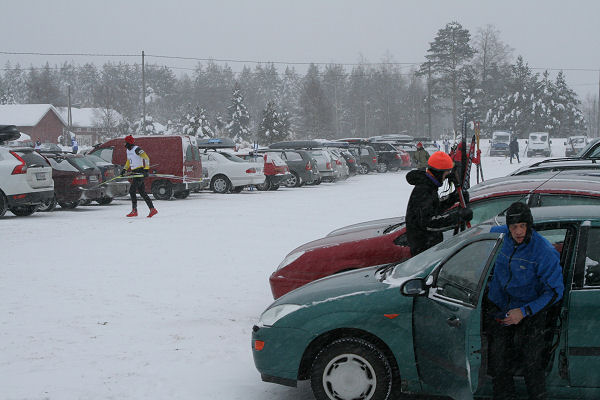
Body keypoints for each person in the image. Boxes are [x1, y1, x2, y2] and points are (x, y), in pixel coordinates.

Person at [486, 202, 564, 400]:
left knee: (532, 364)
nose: (518, 231)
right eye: (513, 227)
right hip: (501, 309)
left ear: (529, 225)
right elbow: (482, 235)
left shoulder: (543, 251)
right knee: (499, 364)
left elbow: (555, 292)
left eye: (523, 226)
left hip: (530, 313)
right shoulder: (501, 237)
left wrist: (524, 312)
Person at [405, 151, 473, 256]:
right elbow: (429, 222)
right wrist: (458, 216)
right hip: (424, 249)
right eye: (446, 172)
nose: (446, 176)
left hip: (427, 245)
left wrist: (452, 198)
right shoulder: (424, 190)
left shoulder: (428, 186)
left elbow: (434, 208)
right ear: (439, 172)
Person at [121, 135, 158, 218]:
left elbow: (147, 158)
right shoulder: (128, 150)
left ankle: (134, 211)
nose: (124, 144)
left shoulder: (137, 149)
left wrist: (146, 169)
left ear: (129, 143)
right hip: (134, 172)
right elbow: (128, 161)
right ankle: (152, 209)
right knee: (142, 192)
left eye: (126, 142)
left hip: (140, 172)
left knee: (132, 190)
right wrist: (124, 169)